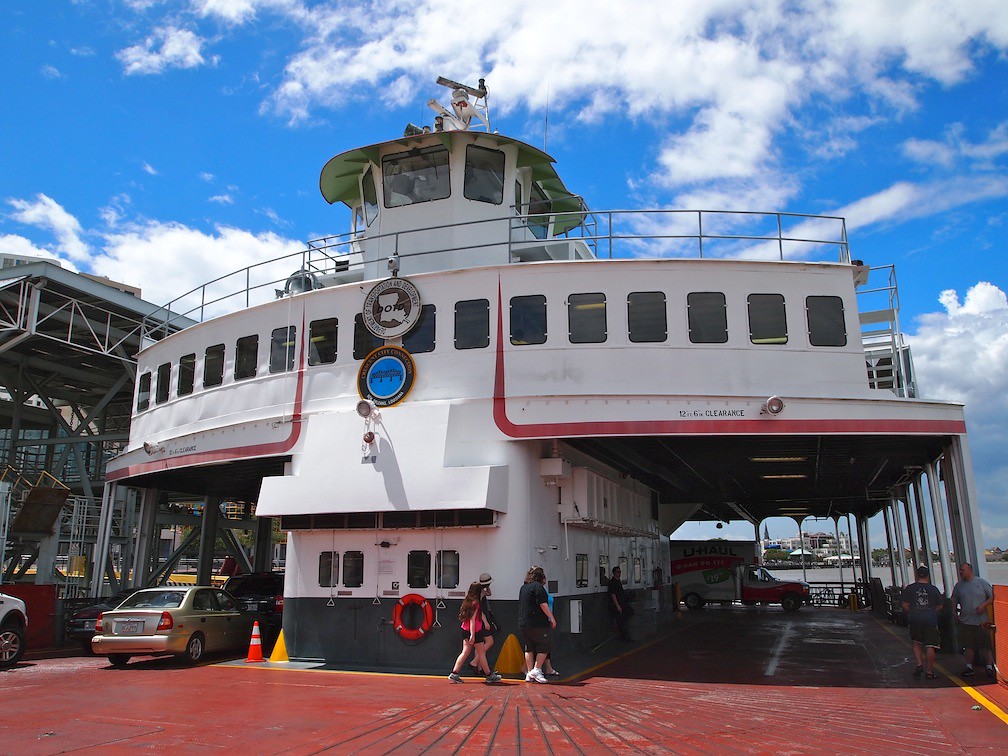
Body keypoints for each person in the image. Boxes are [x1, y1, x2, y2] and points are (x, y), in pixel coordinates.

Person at [449, 582, 501, 684]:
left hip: (464, 629)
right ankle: (489, 675)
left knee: (465, 652)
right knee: (481, 653)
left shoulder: (467, 601)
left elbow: (471, 617)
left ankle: (454, 673)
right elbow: (473, 620)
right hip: (475, 631)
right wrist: (473, 634)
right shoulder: (476, 602)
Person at [951, 562, 995, 678]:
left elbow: (992, 597)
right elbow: (954, 599)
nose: (961, 572)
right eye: (960, 570)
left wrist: (983, 605)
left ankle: (989, 667)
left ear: (969, 570)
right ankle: (969, 666)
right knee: (968, 644)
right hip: (966, 620)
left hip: (981, 620)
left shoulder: (981, 583)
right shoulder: (959, 585)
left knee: (985, 644)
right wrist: (954, 611)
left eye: (963, 570)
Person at [900, 565, 944, 680]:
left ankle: (919, 664)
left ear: (916, 575)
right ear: (928, 576)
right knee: (930, 645)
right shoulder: (933, 589)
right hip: (929, 620)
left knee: (916, 642)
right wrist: (931, 611)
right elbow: (940, 605)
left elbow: (904, 604)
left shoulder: (910, 588)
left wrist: (912, 612)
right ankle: (929, 671)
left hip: (915, 619)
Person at [517, 565, 556, 683]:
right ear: (541, 577)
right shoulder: (538, 587)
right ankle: (537, 670)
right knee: (544, 646)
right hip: (537, 623)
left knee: (529, 647)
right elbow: (543, 604)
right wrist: (552, 618)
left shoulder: (524, 587)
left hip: (524, 623)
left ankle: (529, 673)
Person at [468, 573, 500, 675]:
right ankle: (475, 662)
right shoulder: (481, 594)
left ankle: (479, 667)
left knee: (480, 644)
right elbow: (480, 610)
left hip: (480, 621)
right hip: (482, 620)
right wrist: (486, 622)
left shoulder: (479, 592)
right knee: (489, 641)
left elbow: (489, 593)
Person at [608, 566, 634, 642]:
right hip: (617, 605)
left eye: (620, 572)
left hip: (622, 603)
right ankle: (624, 638)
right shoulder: (612, 582)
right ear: (614, 573)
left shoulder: (618, 581)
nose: (619, 573)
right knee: (620, 621)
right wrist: (617, 606)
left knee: (626, 616)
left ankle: (624, 636)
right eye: (618, 572)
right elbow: (613, 594)